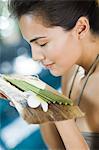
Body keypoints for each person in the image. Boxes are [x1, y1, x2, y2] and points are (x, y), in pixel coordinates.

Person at [1, 0, 99, 149]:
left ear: (81, 28)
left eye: (41, 43)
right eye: (30, 44)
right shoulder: (72, 73)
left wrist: (62, 115)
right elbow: (57, 147)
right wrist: (45, 108)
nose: (35, 56)